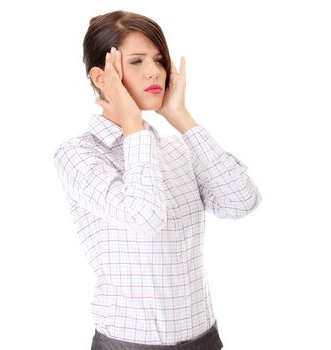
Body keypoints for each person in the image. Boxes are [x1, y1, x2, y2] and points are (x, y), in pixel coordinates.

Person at [53, 10, 262, 350]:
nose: (155, 72)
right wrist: (132, 124)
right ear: (101, 77)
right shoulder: (77, 155)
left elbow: (242, 202)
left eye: (160, 60)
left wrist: (180, 117)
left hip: (205, 338)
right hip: (127, 343)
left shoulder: (176, 149)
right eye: (136, 61)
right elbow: (144, 216)